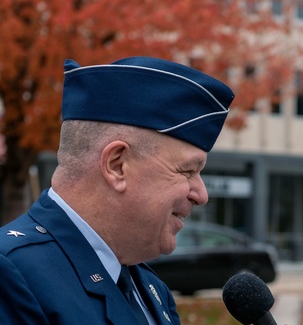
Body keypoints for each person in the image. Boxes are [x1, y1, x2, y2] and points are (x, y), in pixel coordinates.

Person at [0, 56, 235, 324]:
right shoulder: (11, 274)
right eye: (187, 171)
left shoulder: (149, 287)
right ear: (117, 165)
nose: (201, 195)